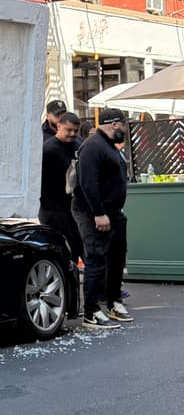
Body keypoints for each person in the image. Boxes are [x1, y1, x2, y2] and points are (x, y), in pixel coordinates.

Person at [71, 108, 132, 328]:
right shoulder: (93, 146)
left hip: (113, 212)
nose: (125, 128)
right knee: (96, 258)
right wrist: (98, 213)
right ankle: (91, 312)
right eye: (124, 124)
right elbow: (87, 183)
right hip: (94, 213)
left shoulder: (107, 146)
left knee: (116, 258)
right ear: (115, 124)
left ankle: (114, 302)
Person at [39, 112, 83, 267]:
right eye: (68, 130)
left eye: (75, 131)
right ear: (58, 126)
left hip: (72, 207)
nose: (72, 134)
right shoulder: (48, 150)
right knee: (63, 252)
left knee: (79, 248)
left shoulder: (78, 144)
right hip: (52, 208)